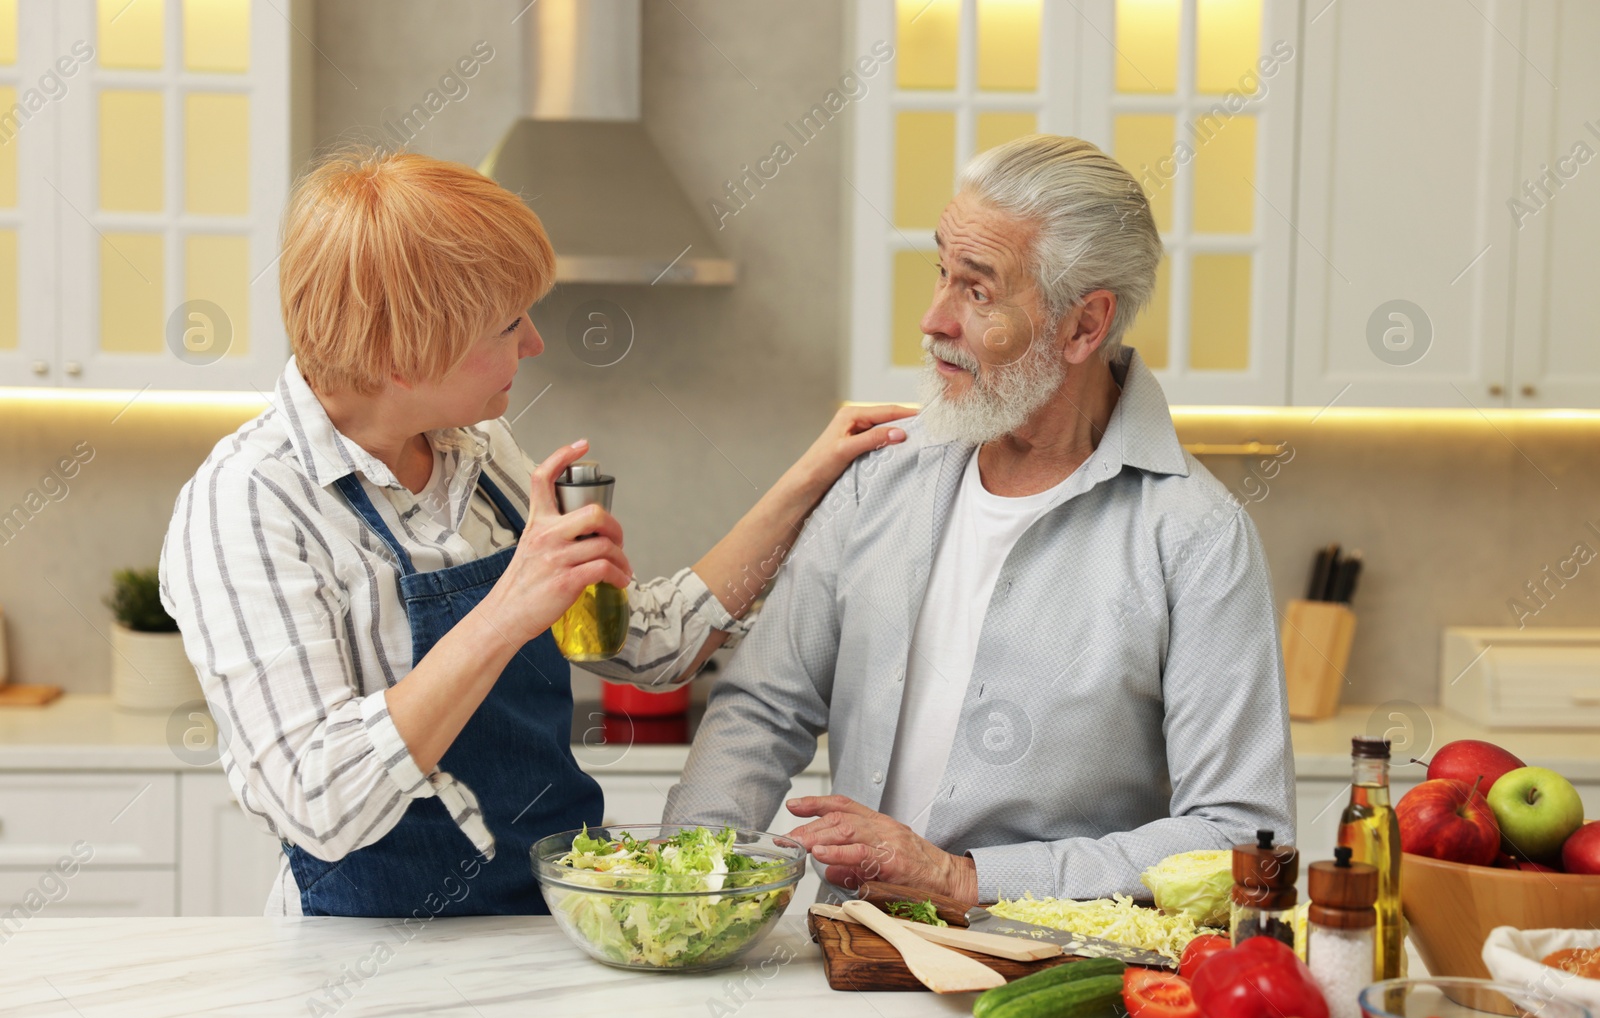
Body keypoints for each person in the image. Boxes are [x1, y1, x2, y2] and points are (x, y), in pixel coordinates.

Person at [158, 149, 913, 917]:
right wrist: (508, 608)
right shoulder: (248, 503)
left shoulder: (478, 453)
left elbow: (649, 644)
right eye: (508, 323)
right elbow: (320, 802)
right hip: (366, 959)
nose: (535, 344)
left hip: (561, 923)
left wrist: (808, 479)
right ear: (406, 353)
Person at [664, 135, 1296, 906]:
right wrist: (683, 885)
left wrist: (964, 878)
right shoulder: (878, 474)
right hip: (855, 963)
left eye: (977, 291)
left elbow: (1238, 832)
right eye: (940, 272)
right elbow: (764, 707)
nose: (933, 319)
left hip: (1051, 985)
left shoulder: (1196, 536)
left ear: (1081, 327)